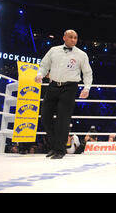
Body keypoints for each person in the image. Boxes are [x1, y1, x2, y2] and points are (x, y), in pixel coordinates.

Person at [35, 29, 92, 159]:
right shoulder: (54, 50)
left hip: (70, 88)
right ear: (64, 38)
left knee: (63, 118)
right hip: (53, 85)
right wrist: (40, 75)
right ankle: (55, 146)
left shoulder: (81, 54)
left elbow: (87, 73)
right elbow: (44, 65)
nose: (73, 40)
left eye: (75, 37)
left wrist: (86, 88)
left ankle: (60, 150)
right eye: (71, 37)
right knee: (45, 116)